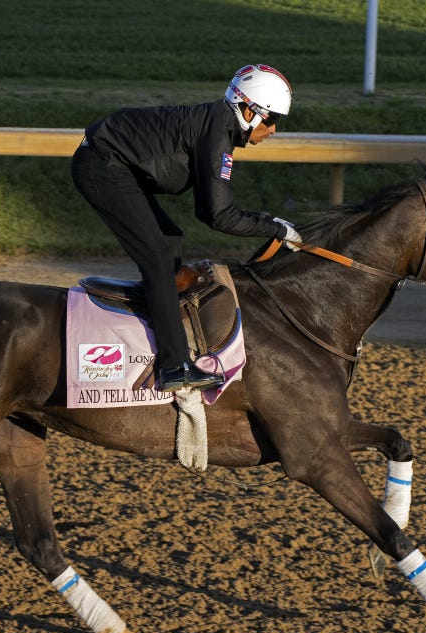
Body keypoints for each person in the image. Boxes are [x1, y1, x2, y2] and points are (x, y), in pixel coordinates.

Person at [71, 63, 303, 392]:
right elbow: (217, 215)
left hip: (113, 161)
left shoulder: (218, 125)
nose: (275, 130)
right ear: (249, 111)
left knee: (170, 242)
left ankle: (154, 306)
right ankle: (173, 368)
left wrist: (270, 223)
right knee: (157, 259)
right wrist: (274, 228)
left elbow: (209, 209)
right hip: (102, 165)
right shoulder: (217, 134)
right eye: (273, 119)